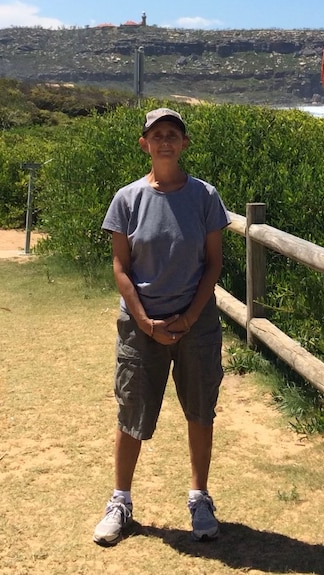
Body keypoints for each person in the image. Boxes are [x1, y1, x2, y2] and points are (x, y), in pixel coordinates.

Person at [93, 107, 231, 546]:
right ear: (145, 144)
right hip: (141, 326)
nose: (166, 141)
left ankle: (199, 497)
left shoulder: (205, 197)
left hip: (197, 324)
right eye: (157, 135)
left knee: (199, 411)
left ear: (184, 143)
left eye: (173, 134)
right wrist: (145, 321)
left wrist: (189, 316)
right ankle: (120, 502)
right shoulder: (126, 199)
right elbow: (120, 266)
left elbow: (214, 264)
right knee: (130, 412)